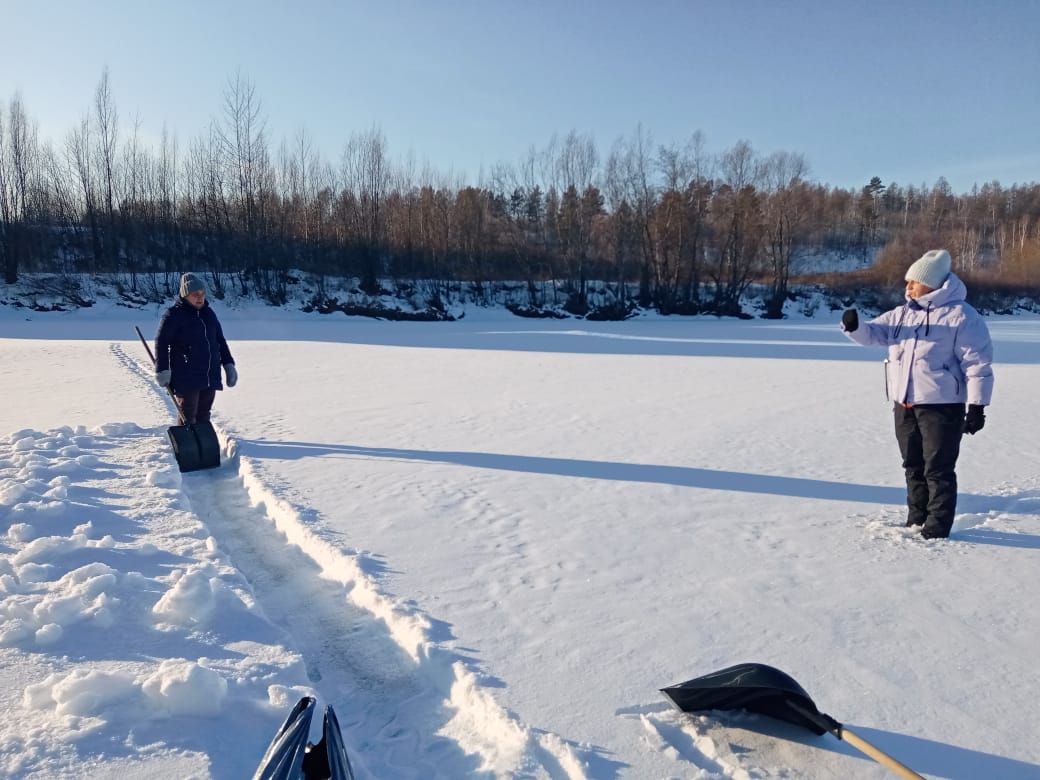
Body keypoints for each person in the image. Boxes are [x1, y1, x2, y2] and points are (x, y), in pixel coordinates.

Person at [840, 249, 993, 539]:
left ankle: (936, 529)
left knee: (938, 468)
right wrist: (854, 327)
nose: (907, 287)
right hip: (905, 402)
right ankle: (916, 519)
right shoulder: (901, 315)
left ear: (933, 283)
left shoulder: (961, 317)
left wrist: (977, 406)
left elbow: (977, 364)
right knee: (913, 465)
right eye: (907, 282)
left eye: (914, 282)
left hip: (942, 406)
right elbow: (874, 334)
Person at [154, 272, 238, 425]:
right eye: (195, 294)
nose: (200, 297)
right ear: (185, 295)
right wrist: (162, 369)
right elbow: (161, 342)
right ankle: (187, 446)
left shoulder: (209, 314)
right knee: (187, 413)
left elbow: (220, 340)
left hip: (209, 372)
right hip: (186, 373)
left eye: (202, 294)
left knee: (204, 412)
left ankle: (204, 445)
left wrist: (228, 364)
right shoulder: (173, 315)